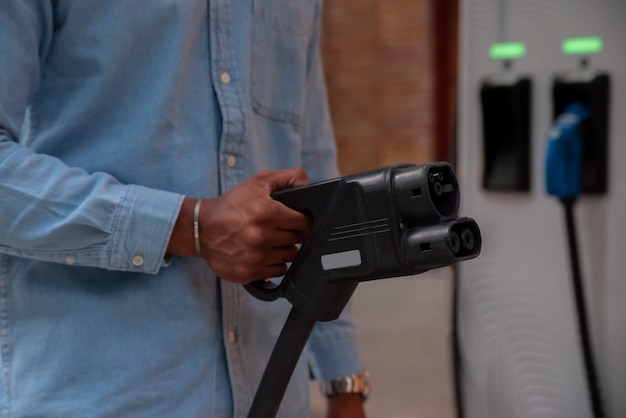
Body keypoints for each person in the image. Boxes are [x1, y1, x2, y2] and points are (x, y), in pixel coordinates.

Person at [0, 1, 367, 417]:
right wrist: (190, 225)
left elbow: (315, 170)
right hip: (100, 395)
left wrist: (344, 381)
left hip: (276, 395)